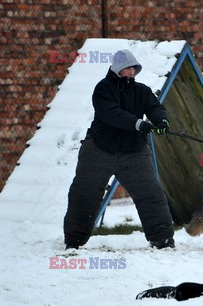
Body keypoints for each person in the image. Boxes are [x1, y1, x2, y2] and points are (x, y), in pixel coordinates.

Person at [63, 49, 175, 250]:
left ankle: (163, 240)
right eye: (126, 68)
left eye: (133, 68)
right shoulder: (103, 89)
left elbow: (155, 107)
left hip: (134, 152)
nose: (131, 71)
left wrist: (162, 120)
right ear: (117, 69)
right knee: (85, 193)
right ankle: (74, 240)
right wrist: (138, 124)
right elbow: (111, 114)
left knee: (151, 193)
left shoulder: (142, 90)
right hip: (99, 149)